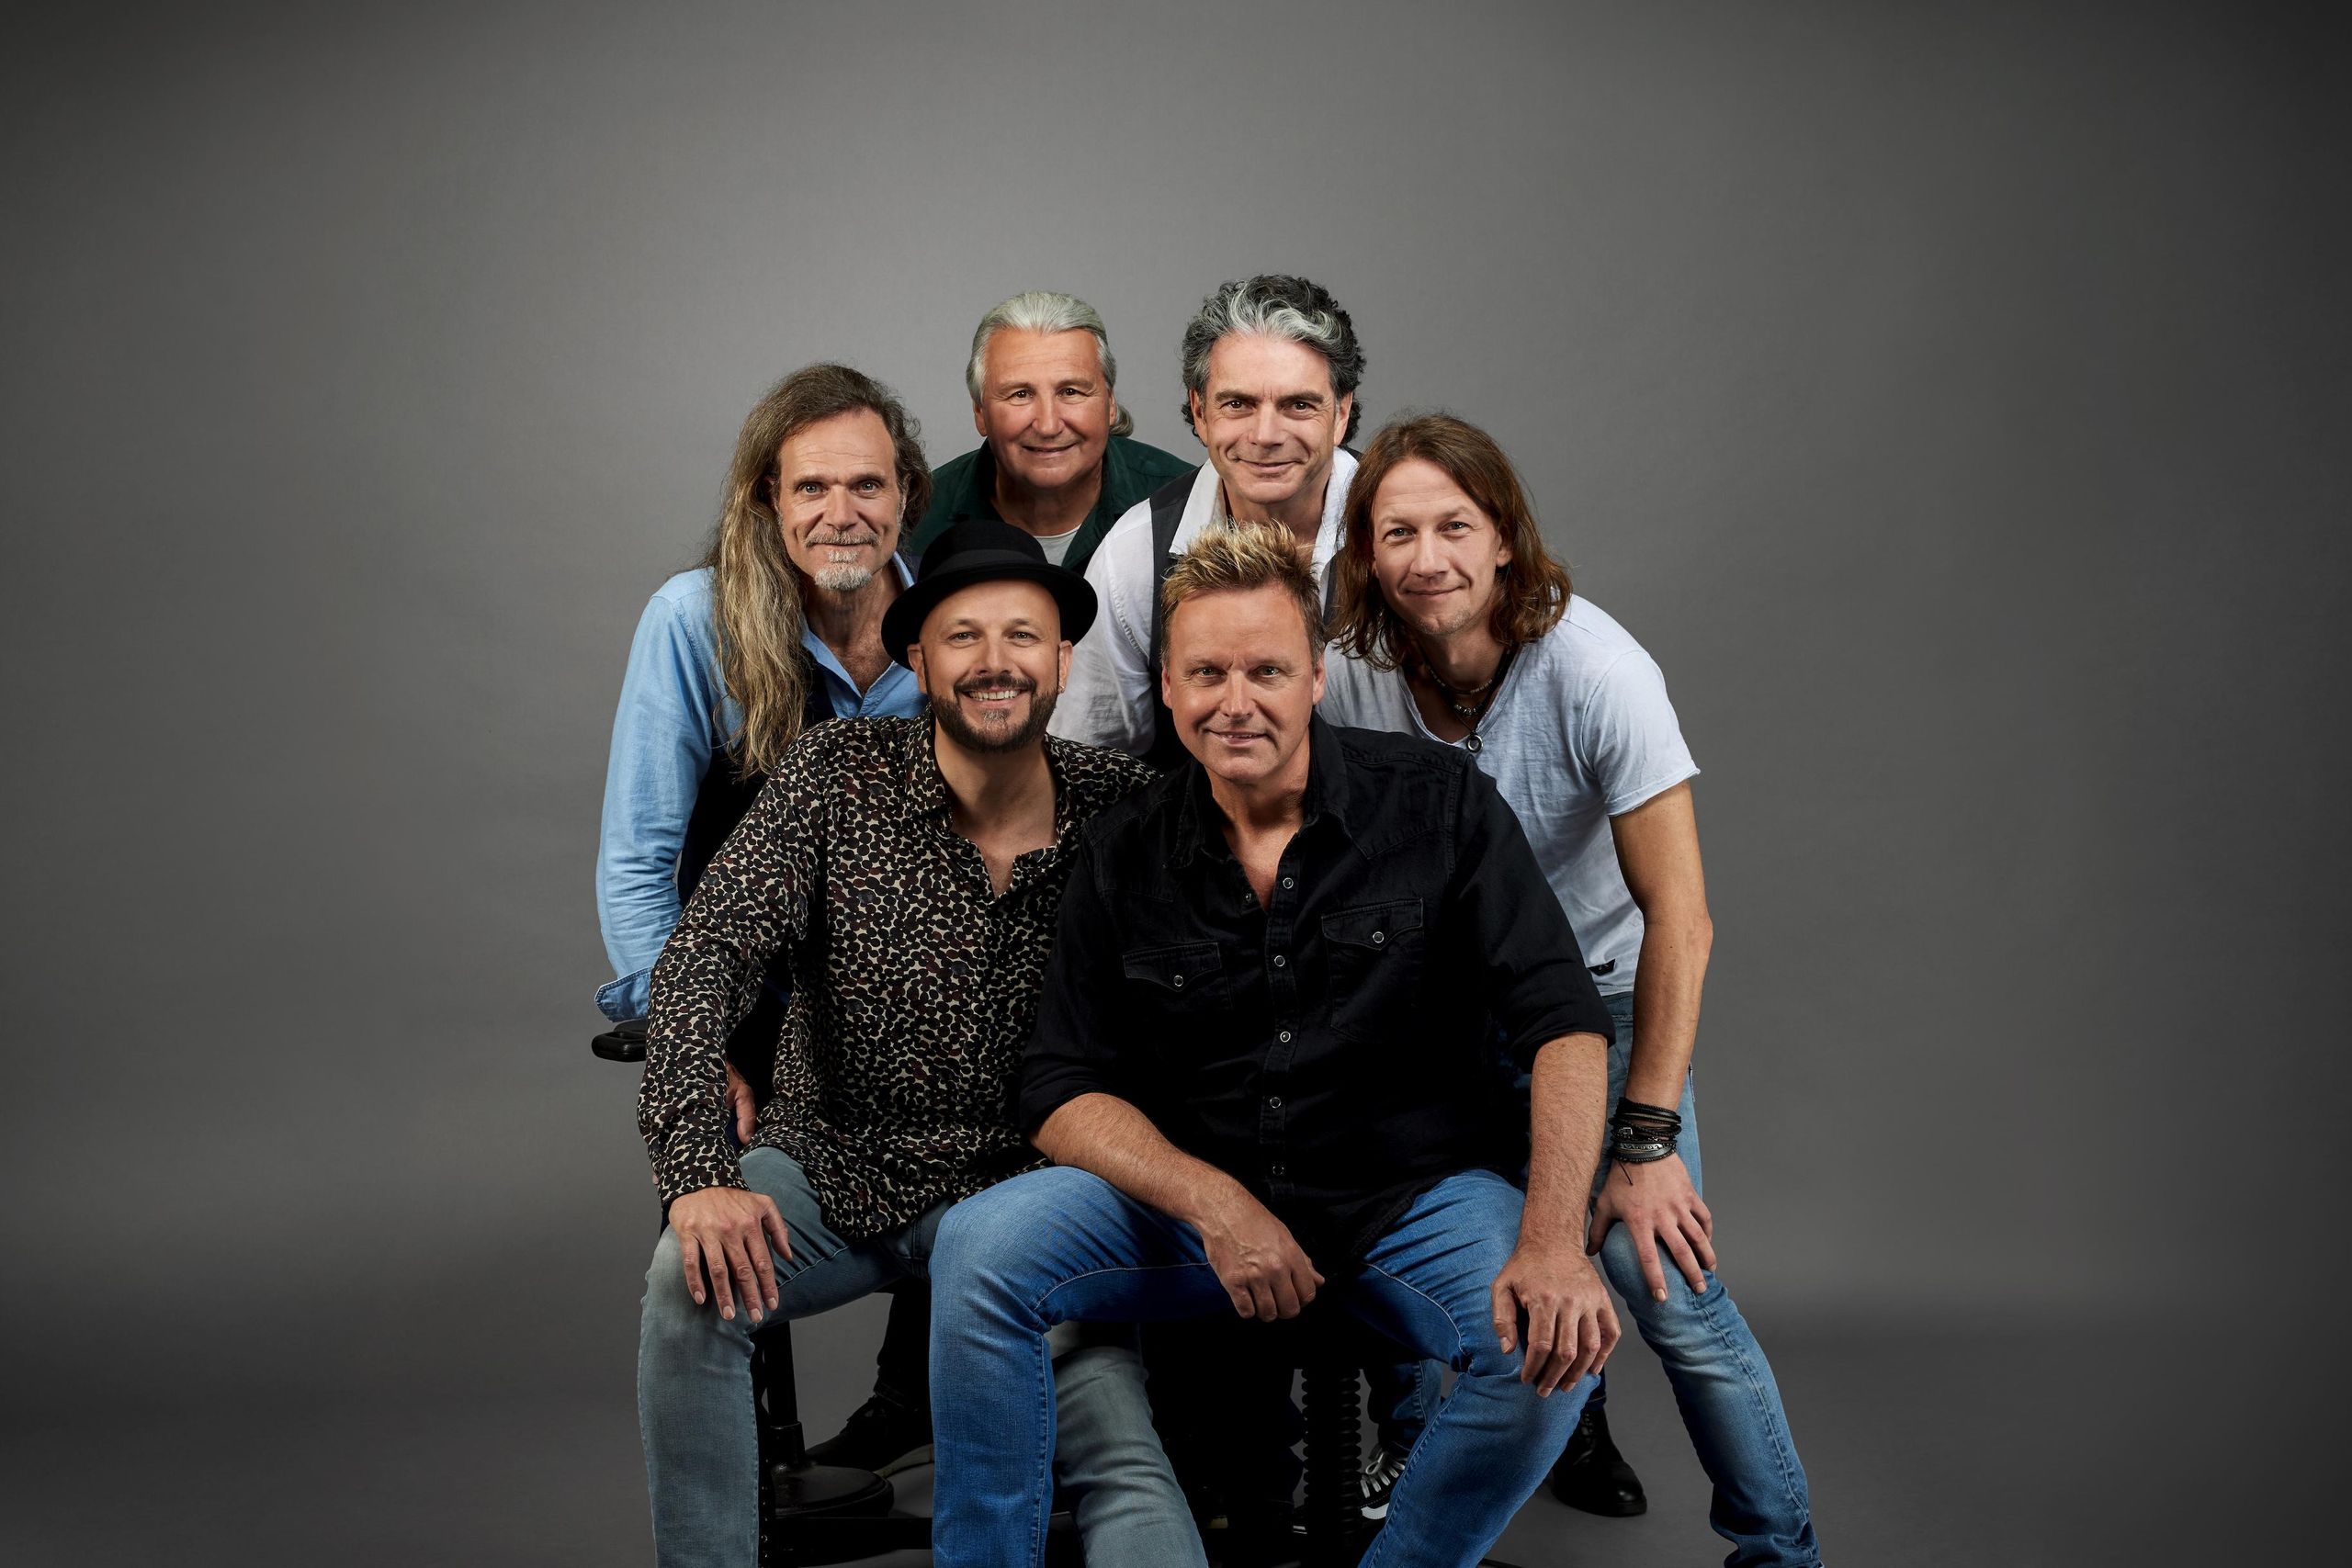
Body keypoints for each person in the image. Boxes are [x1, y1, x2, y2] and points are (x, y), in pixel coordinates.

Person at [926, 520, 1622, 1568]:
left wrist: (1554, 1242)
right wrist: (1213, 1203)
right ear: (1167, 687)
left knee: (1545, 1347)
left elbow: (1563, 1022)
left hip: (1408, 1200)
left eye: (1266, 670)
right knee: (978, 1252)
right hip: (1195, 1211)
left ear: (1317, 679)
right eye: (1207, 673)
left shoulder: (1438, 805)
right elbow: (1059, 1084)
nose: (1235, 702)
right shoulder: (1123, 850)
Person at [633, 519, 1202, 1568]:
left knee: (1118, 1450)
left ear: (1062, 660)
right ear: (918, 660)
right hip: (831, 1164)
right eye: (962, 637)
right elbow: (705, 956)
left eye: (1022, 636)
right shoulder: (834, 775)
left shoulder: (1125, 811)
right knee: (688, 1280)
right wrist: (695, 1169)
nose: (995, 662)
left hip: (1028, 1198)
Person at [1321, 413, 1822, 1566]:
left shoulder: (1599, 672)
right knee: (1403, 1250)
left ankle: (1780, 1551)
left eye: (1455, 526)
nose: (1427, 558)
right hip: (1437, 1015)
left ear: (1505, 537)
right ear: (1366, 553)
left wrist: (1645, 1140)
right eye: (1397, 532)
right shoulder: (1348, 673)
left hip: (1598, 1007)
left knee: (1663, 1283)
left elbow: (1681, 921)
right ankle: (1421, 1482)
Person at [595, 362, 939, 1479]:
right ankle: (743, 1503)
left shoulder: (952, 622)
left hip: (915, 1014)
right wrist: (693, 1048)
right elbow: (639, 862)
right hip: (746, 1006)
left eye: (867, 485)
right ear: (767, 500)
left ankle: (945, 1422)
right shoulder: (693, 620)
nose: (842, 512)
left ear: (907, 493)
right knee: (705, 1267)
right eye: (811, 488)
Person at [1051, 274, 1365, 765]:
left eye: (1298, 405)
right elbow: (1090, 761)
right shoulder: (1135, 554)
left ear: (1341, 413)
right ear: (1200, 411)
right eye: (1238, 404)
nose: (1265, 435)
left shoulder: (1406, 531)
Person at [910, 289, 1193, 574]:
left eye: (1071, 392)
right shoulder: (917, 519)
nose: (1048, 426)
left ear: (1110, 404)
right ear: (980, 412)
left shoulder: (1186, 503)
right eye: (1020, 394)